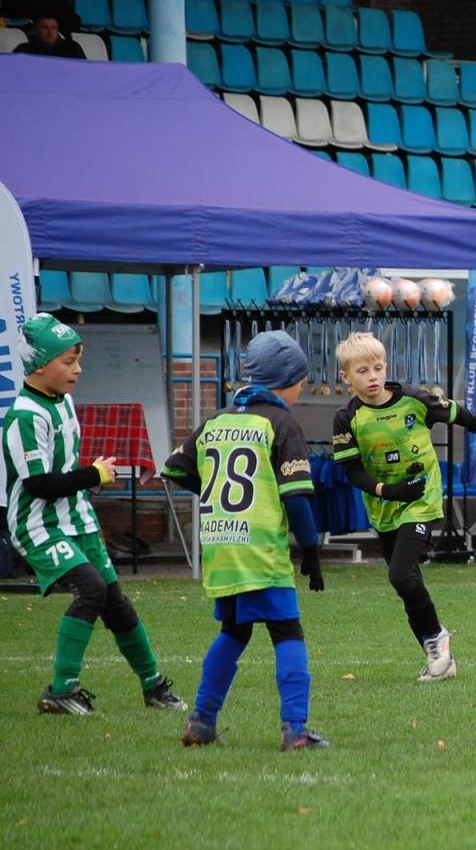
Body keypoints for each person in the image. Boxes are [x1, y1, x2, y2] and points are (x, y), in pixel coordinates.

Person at [2, 314, 184, 715]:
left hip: (78, 520)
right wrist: (92, 474)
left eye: (78, 359)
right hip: (38, 525)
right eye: (68, 361)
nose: (77, 369)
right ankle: (60, 690)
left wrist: (88, 478)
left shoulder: (63, 401)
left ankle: (153, 686)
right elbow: (39, 485)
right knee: (91, 589)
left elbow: (64, 472)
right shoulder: (24, 416)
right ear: (38, 364)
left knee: (115, 602)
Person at [161, 331, 329, 750]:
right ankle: (295, 729)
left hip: (221, 545)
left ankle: (201, 722)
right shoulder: (281, 423)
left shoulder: (217, 420)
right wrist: (310, 550)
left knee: (233, 631)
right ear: (287, 380)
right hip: (261, 550)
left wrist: (217, 496)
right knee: (287, 631)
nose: (302, 388)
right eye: (301, 380)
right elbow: (296, 497)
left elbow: (176, 468)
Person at [330, 331, 476, 681]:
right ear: (346, 377)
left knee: (399, 574)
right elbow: (351, 472)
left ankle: (437, 641)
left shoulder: (413, 400)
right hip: (385, 506)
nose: (373, 377)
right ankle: (438, 654)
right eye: (363, 371)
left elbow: (460, 415)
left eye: (378, 368)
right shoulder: (346, 418)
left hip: (421, 500)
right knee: (406, 582)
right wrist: (389, 490)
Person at [11, 14, 86, 59]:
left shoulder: (72, 48)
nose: (50, 32)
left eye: (53, 28)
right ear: (35, 29)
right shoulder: (24, 50)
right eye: (44, 28)